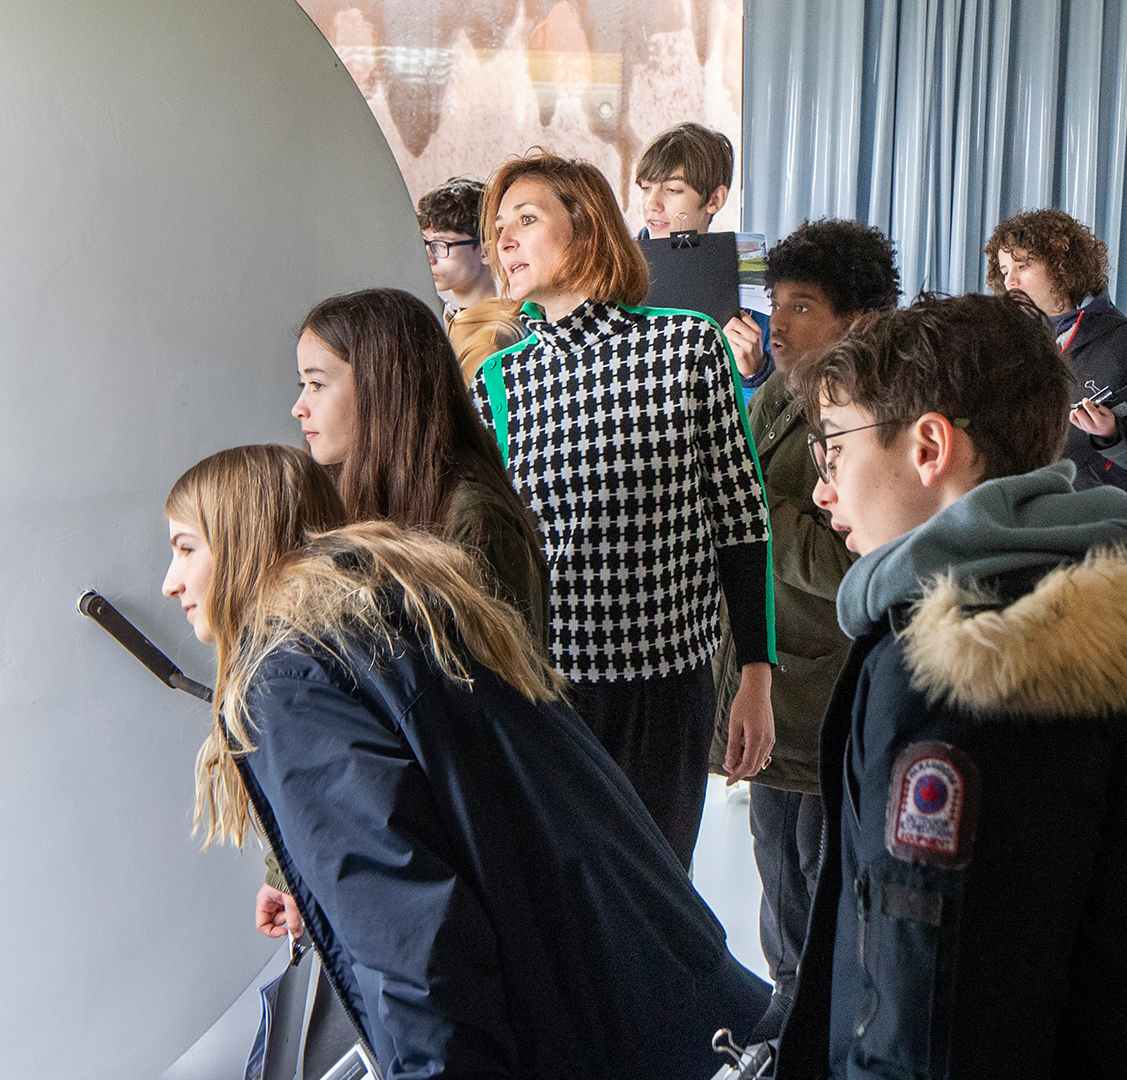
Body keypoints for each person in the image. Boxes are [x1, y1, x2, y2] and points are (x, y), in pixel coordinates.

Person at [161, 444, 771, 1080]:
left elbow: (411, 929)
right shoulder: (401, 613)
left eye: (185, 548)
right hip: (642, 979)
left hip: (565, 1022)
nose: (171, 582)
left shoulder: (288, 680)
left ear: (242, 541)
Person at [775, 293, 1127, 1078]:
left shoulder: (954, 672)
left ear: (930, 445)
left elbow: (930, 1012)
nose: (822, 489)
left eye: (833, 449)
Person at [473, 151, 777, 868]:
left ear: (585, 227)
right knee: (569, 900)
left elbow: (741, 519)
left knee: (661, 890)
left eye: (526, 219)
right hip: (547, 687)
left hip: (667, 686)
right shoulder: (499, 380)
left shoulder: (685, 345)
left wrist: (757, 676)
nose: (504, 241)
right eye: (497, 229)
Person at [703, 219, 899, 1040]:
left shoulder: (875, 409)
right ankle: (785, 1021)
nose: (776, 323)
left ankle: (813, 1031)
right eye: (774, 302)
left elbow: (861, 559)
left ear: (861, 317)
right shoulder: (782, 391)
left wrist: (754, 513)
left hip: (824, 683)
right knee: (778, 875)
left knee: (825, 888)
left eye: (803, 306)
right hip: (767, 678)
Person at [290, 288, 548, 641]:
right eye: (303, 384)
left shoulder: (474, 518)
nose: (299, 407)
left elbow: (502, 685)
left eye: (317, 384)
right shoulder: (332, 496)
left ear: (381, 386)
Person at [986, 208, 1127, 499]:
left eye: (1023, 266)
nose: (1010, 281)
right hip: (1017, 522)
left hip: (1094, 528)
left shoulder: (1126, 345)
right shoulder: (1002, 342)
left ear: (1061, 266)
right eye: (1004, 272)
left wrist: (1113, 433)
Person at [634, 121, 771, 391]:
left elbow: (767, 419)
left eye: (672, 190)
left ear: (714, 200)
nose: (652, 204)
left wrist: (754, 374)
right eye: (646, 188)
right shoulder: (613, 272)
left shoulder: (752, 282)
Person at [417, 178, 526, 378]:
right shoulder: (455, 318)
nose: (429, 257)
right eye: (425, 242)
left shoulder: (489, 340)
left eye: (442, 245)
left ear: (486, 252)